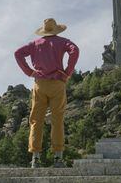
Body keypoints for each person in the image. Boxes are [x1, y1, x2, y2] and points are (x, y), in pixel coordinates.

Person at [14, 18, 79, 168]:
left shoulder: (35, 44)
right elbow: (75, 51)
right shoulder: (62, 42)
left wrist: (29, 72)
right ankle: (58, 158)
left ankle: (35, 159)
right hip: (57, 82)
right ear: (56, 29)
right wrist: (67, 72)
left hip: (40, 84)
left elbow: (17, 53)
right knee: (57, 120)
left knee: (36, 121)